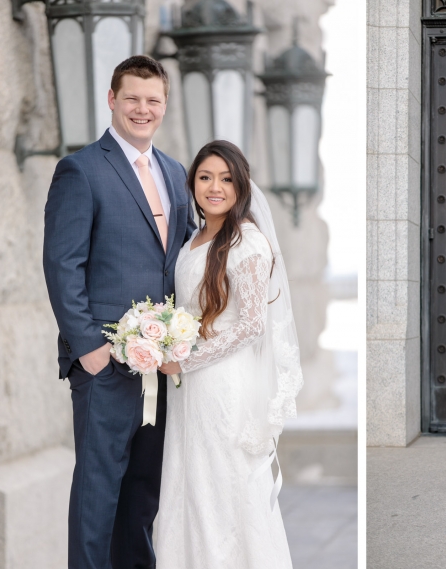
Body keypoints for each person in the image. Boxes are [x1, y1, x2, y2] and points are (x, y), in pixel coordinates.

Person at [43, 56, 196, 568]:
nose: (142, 109)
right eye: (132, 98)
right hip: (105, 367)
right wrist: (90, 350)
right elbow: (62, 264)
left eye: (153, 100)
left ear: (165, 106)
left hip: (162, 366)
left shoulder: (176, 173)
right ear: (112, 99)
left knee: (143, 496)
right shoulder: (81, 169)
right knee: (97, 495)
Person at [154, 140, 302, 567]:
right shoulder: (196, 238)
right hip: (190, 390)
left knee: (222, 489)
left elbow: (252, 324)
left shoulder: (248, 241)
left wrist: (185, 358)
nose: (214, 187)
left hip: (222, 385)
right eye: (205, 177)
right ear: (193, 184)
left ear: (241, 185)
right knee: (191, 486)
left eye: (225, 178)